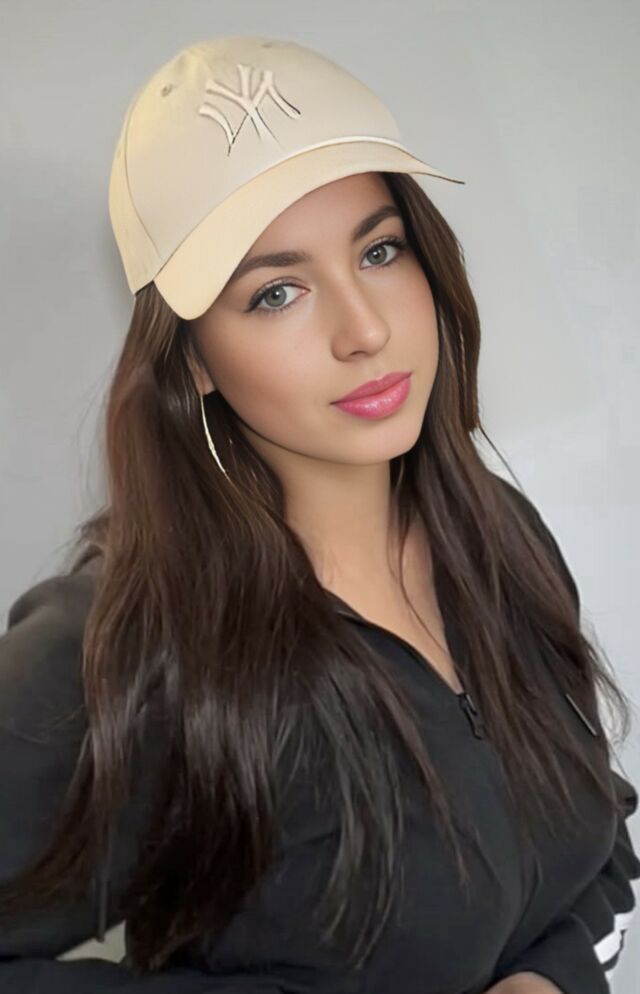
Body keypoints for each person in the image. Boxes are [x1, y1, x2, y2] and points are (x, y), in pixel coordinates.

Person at [0, 34, 638, 994]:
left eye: (380, 250)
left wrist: (545, 981)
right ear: (192, 359)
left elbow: (598, 840)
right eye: (277, 292)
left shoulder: (496, 537)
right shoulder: (123, 643)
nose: (365, 328)